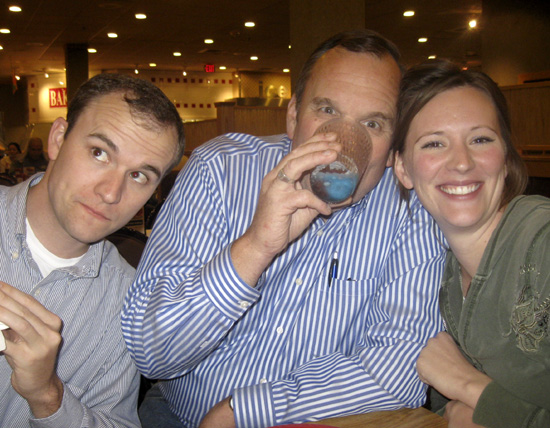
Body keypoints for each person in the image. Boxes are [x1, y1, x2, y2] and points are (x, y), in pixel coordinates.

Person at [122, 29, 447, 428]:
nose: (341, 144)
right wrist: (254, 247)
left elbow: (399, 374)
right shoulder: (220, 170)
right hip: (180, 416)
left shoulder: (411, 211)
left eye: (373, 124)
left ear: (394, 145)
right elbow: (151, 353)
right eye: (326, 110)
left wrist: (242, 411)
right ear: (293, 116)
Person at [0, 72, 185, 427]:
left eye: (139, 176)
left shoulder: (128, 305)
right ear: (58, 139)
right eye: (99, 153)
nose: (111, 192)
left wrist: (48, 396)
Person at [392, 60, 549, 427]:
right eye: (434, 143)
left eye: (480, 139)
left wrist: (472, 390)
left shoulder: (542, 241)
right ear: (402, 168)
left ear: (506, 158)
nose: (462, 163)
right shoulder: (437, 276)